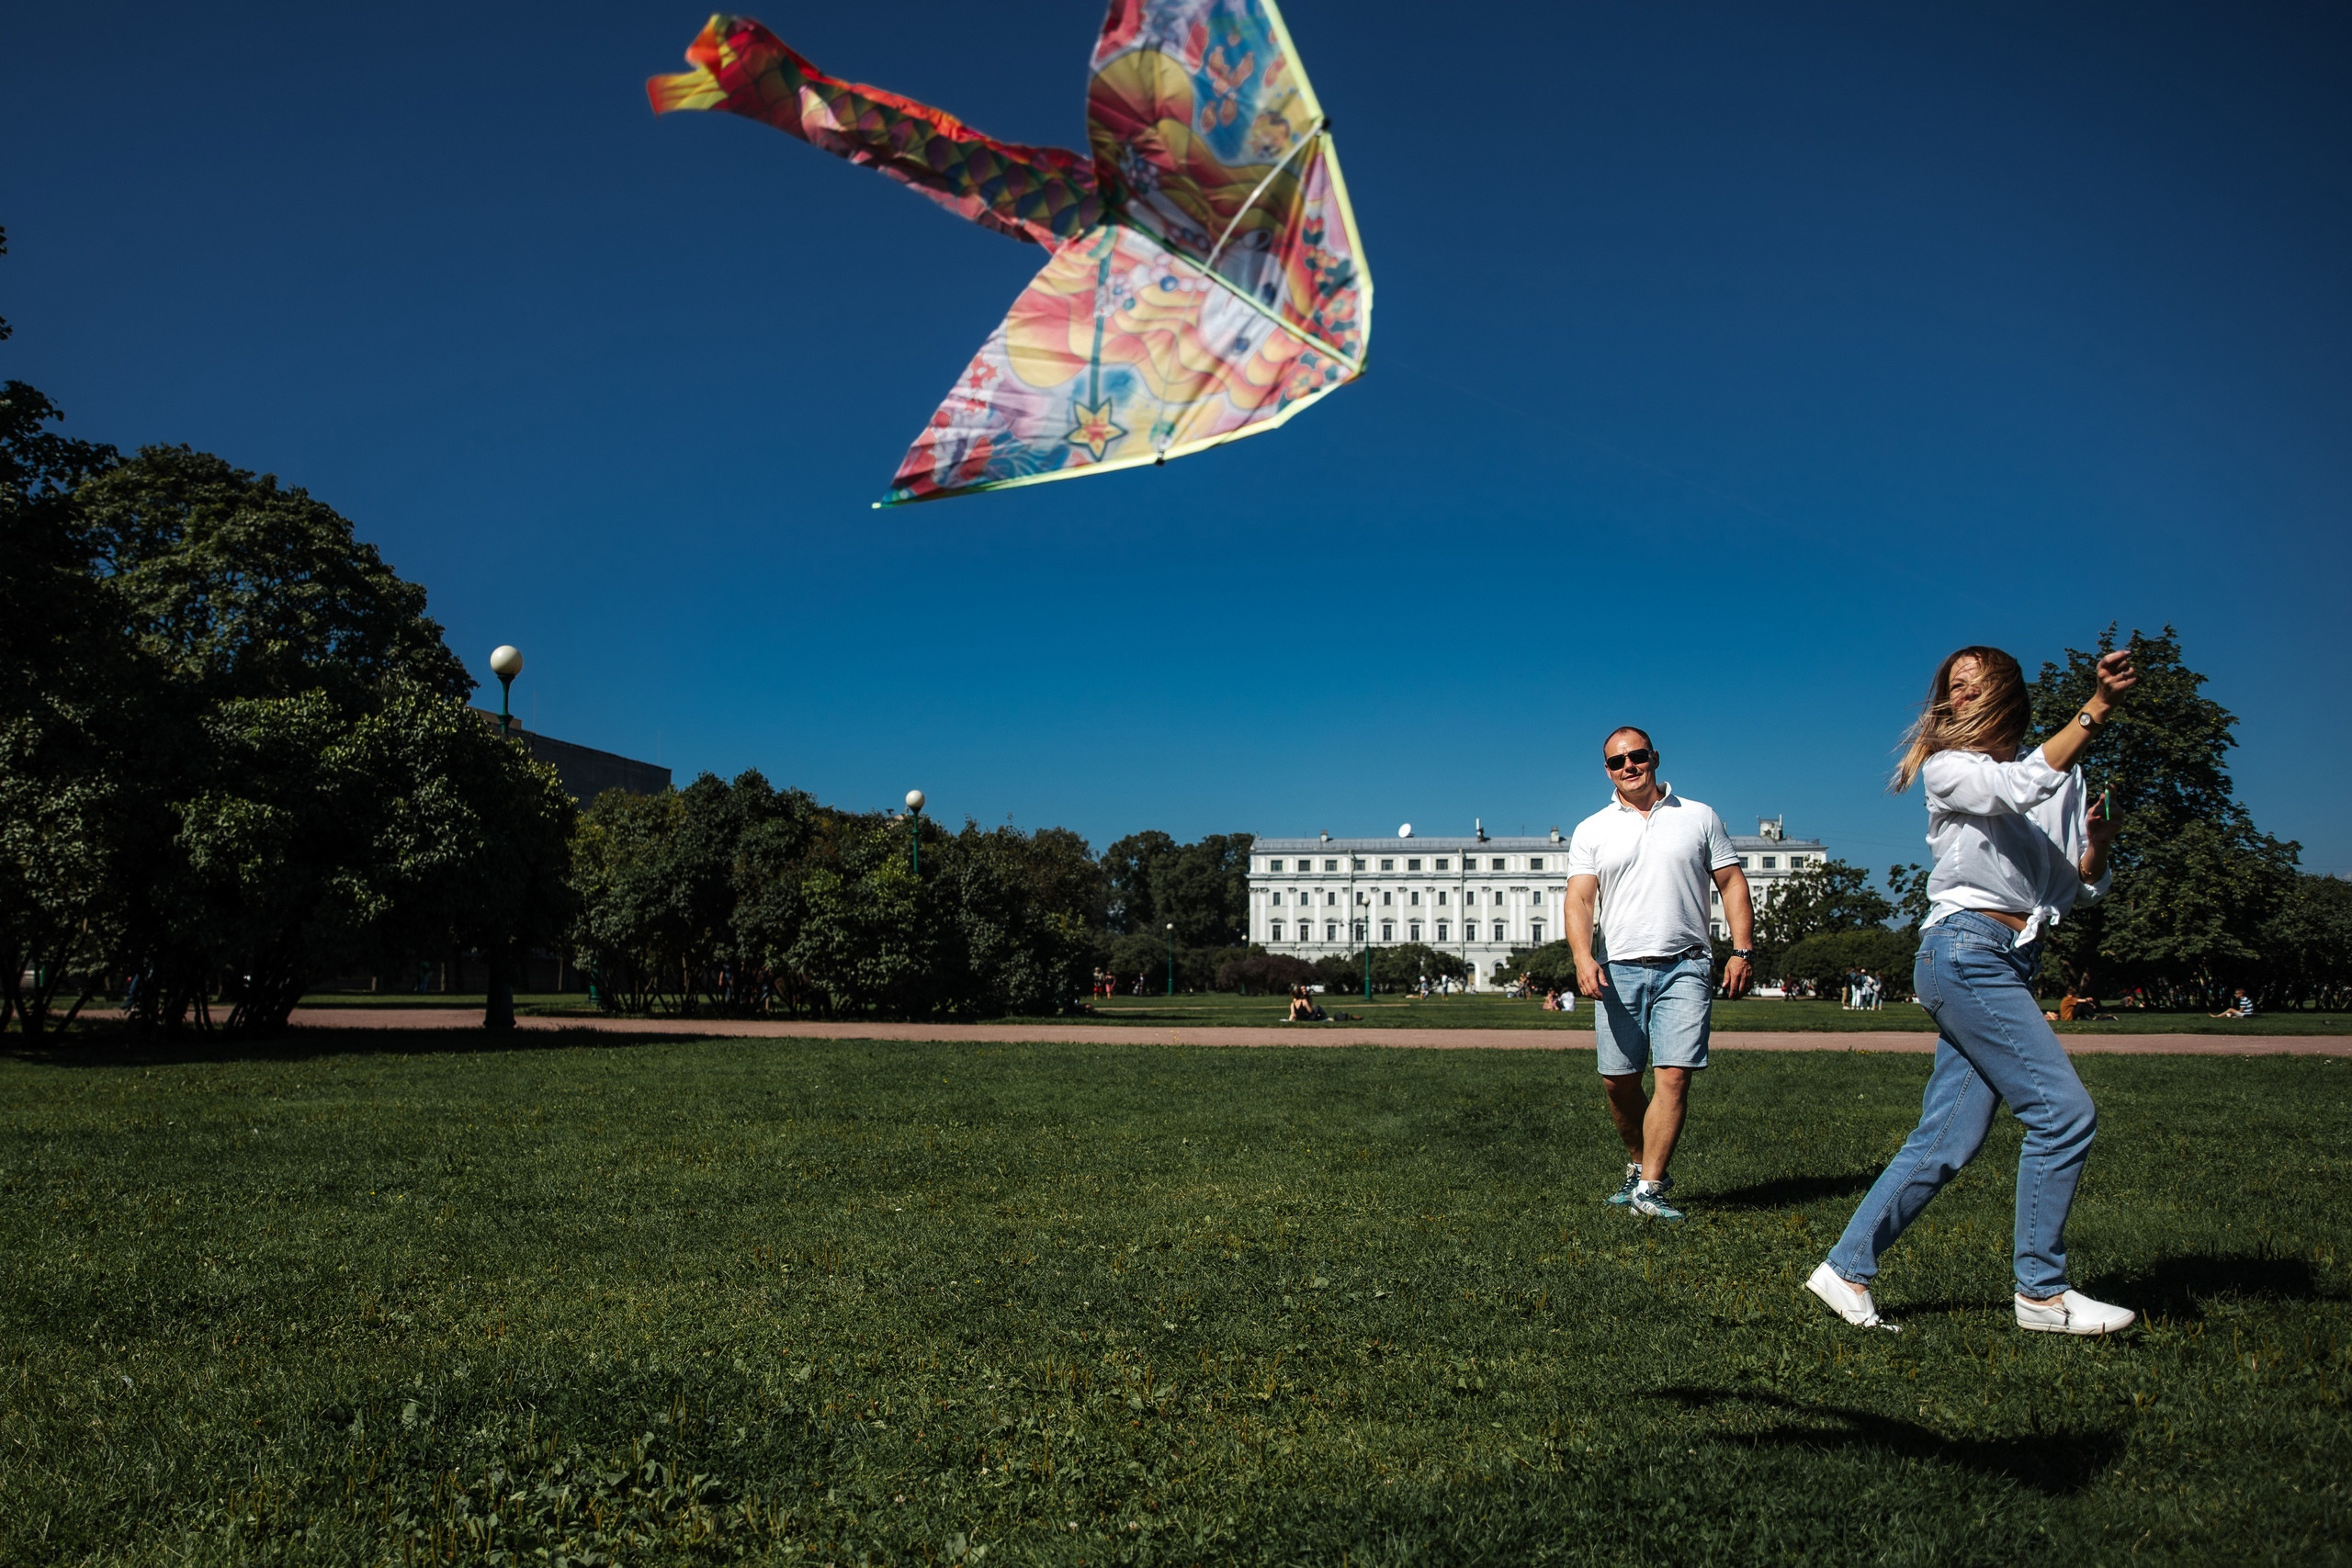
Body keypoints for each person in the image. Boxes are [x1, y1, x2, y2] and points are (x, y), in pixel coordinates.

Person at [1808, 643, 2138, 1337]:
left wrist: (2098, 844)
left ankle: (1845, 1269)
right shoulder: (1952, 769)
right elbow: (2015, 789)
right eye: (1952, 688)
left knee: (1950, 1135)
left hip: (2008, 959)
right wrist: (2099, 706)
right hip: (1963, 950)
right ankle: (2042, 1294)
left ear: (2006, 694)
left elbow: (2075, 888)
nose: (1958, 698)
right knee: (2063, 1112)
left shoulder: (2061, 776)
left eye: (1972, 686)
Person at [1566, 727, 1755, 1222]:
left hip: (1687, 963)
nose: (1629, 766)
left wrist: (1742, 950)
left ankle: (1651, 1186)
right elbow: (1580, 899)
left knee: (1673, 1076)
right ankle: (1636, 1165)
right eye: (1617, 761)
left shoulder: (1699, 817)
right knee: (1617, 1081)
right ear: (1607, 770)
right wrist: (1583, 957)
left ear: (1654, 758)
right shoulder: (1592, 829)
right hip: (1619, 967)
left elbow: (1732, 882)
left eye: (1638, 755)